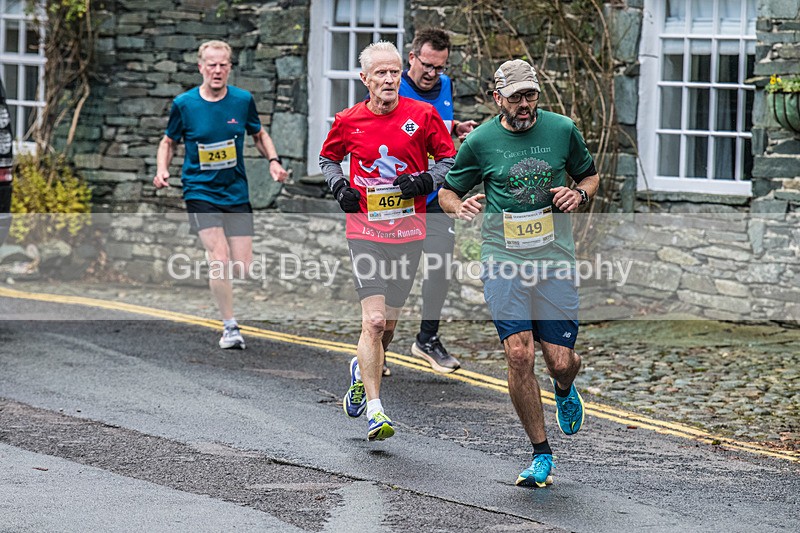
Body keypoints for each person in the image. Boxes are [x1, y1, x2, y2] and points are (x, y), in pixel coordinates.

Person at [438, 59, 599, 487]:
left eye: (530, 95)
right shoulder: (480, 141)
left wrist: (578, 194)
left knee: (560, 361)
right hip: (501, 257)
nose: (525, 105)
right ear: (498, 99)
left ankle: (564, 387)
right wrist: (461, 206)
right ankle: (541, 454)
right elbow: (447, 191)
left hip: (554, 260)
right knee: (518, 354)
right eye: (516, 98)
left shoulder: (562, 129)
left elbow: (590, 175)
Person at [319, 41, 456, 441]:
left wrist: (426, 180)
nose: (390, 79)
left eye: (395, 72)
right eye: (381, 73)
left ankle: (361, 373)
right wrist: (339, 185)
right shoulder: (349, 119)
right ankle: (376, 412)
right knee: (374, 321)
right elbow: (328, 158)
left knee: (389, 328)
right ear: (365, 79)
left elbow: (448, 159)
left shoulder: (423, 115)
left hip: (409, 231)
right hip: (365, 230)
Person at [153, 40, 288, 350]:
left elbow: (259, 134)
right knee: (220, 258)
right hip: (199, 190)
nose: (217, 70)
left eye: (222, 64)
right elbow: (168, 142)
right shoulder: (184, 104)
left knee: (241, 266)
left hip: (235, 190)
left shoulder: (242, 101)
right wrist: (162, 170)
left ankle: (221, 269)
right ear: (201, 67)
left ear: (230, 68)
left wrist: (273, 161)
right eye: (211, 64)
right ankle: (230, 327)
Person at [398, 28, 479, 375]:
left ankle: (427, 338)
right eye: (427, 65)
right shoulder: (392, 88)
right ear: (412, 57)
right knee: (394, 276)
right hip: (398, 198)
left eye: (440, 67)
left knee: (440, 266)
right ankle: (374, 343)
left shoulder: (444, 87)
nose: (432, 74)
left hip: (435, 194)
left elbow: (432, 126)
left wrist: (455, 128)